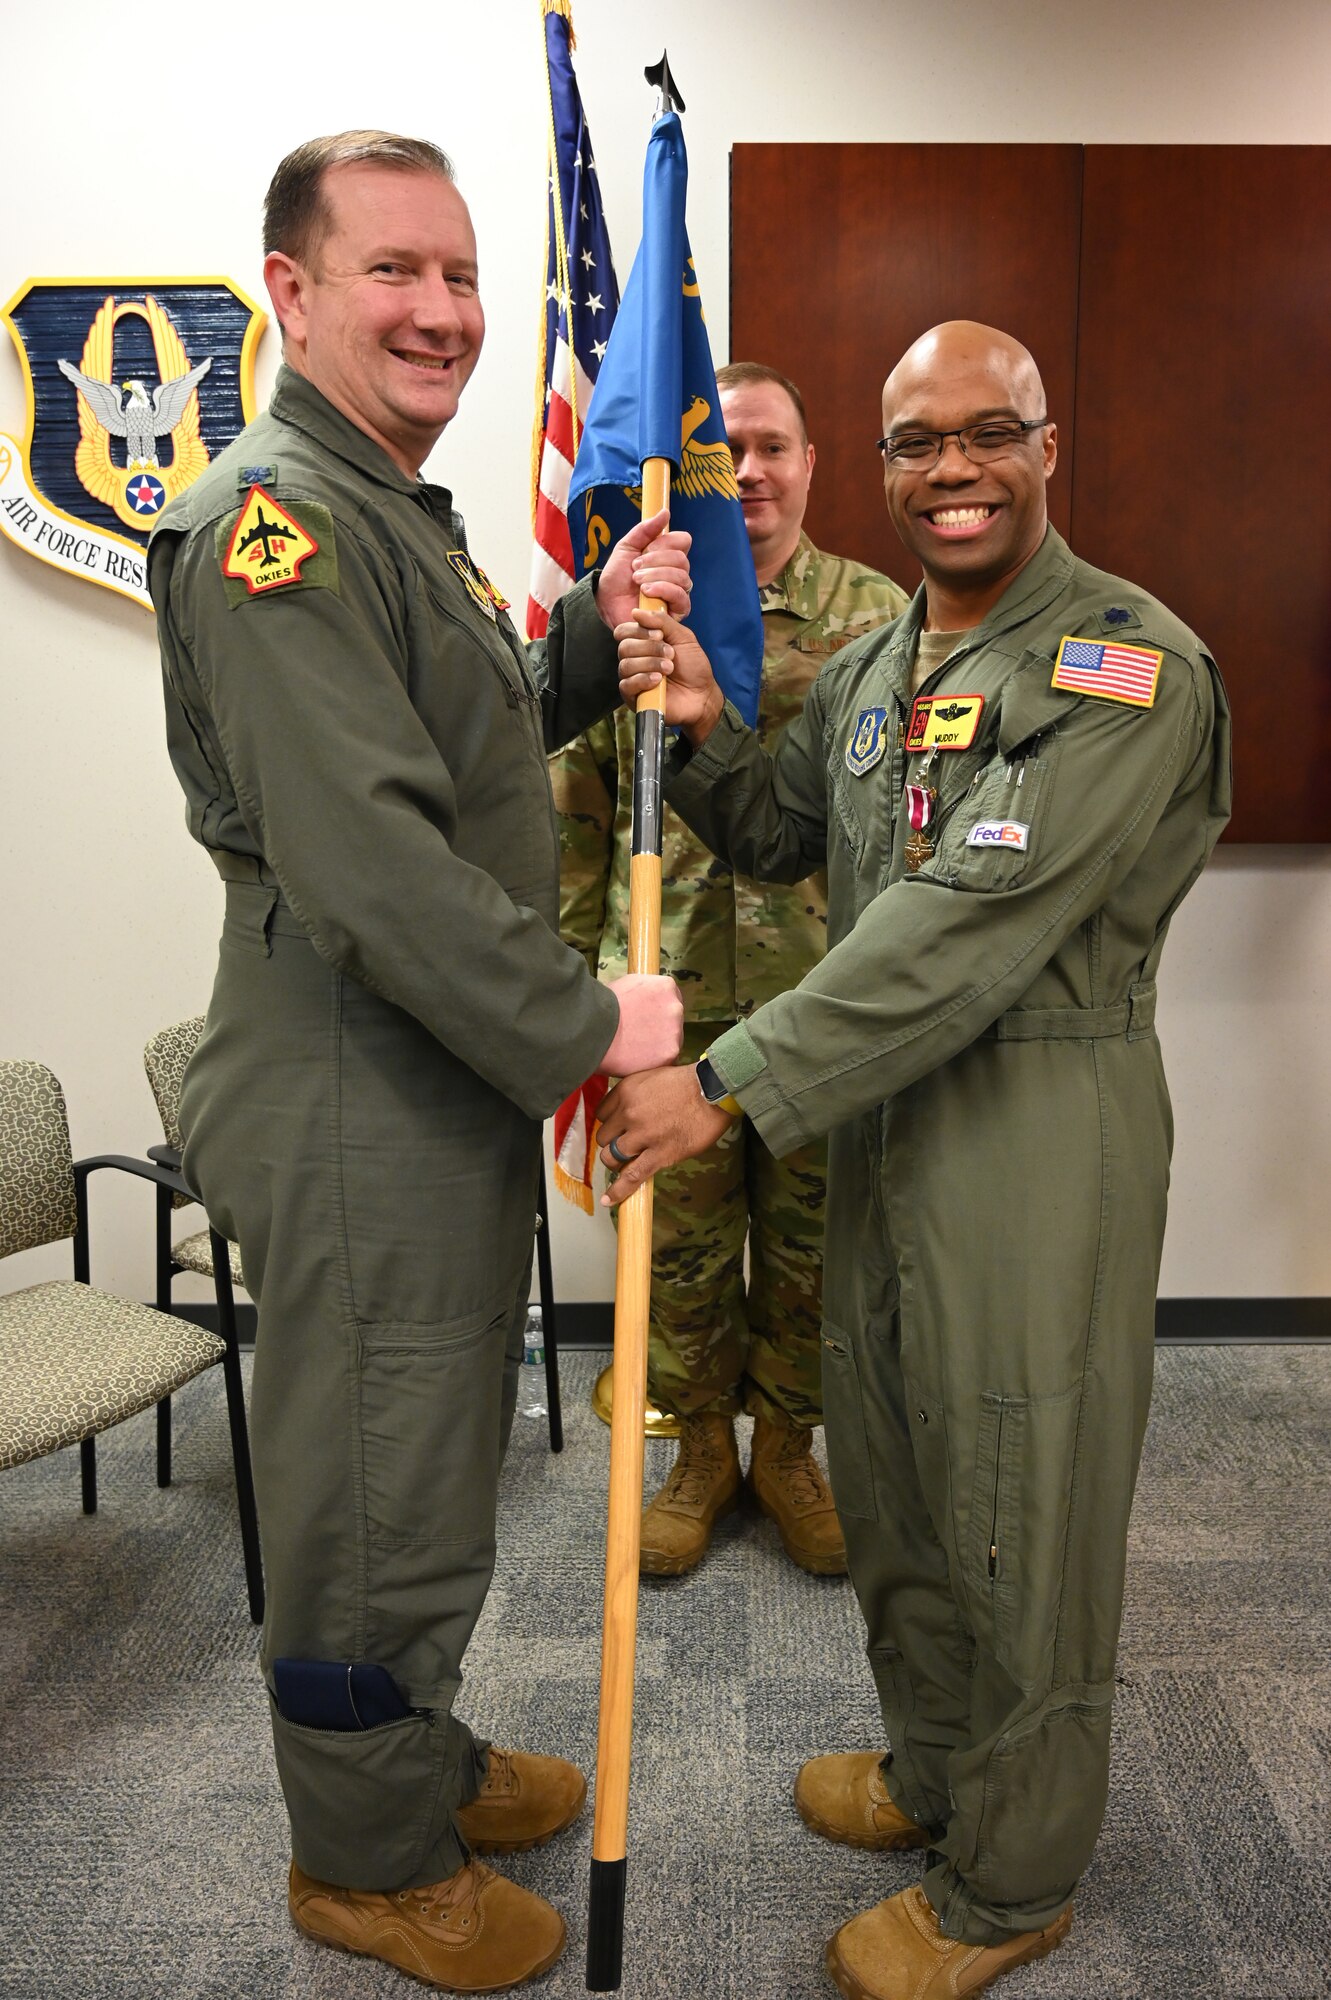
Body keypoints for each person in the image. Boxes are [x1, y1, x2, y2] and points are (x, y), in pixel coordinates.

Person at [600, 322, 1231, 2000]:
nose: (947, 470)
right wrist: (704, 722)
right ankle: (944, 1772)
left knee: (1018, 1496)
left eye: (983, 435)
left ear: (1045, 446)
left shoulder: (1124, 665)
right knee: (891, 1465)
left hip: (1033, 1130)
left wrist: (724, 1079)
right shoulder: (882, 673)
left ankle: (1009, 1880)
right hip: (880, 1120)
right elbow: (794, 838)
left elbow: (963, 929)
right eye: (914, 444)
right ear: (880, 467)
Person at [149, 130, 687, 1995]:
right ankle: (364, 1863)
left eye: (460, 274)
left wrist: (588, 652)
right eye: (393, 271)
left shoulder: (387, 512)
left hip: (416, 1080)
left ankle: (415, 1751)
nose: (446, 311)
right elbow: (374, 864)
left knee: (426, 1455)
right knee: (369, 1486)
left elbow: (449, 727)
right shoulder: (272, 525)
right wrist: (586, 1029)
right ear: (290, 292)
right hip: (355, 1078)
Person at [550, 363, 906, 1578]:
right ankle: (700, 1452)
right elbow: (576, 810)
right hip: (666, 1000)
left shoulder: (877, 618)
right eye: (725, 453)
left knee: (813, 1252)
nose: (748, 471)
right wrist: (562, 994)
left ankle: (787, 1453)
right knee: (679, 1257)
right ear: (696, 474)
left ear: (810, 464)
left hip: (819, 996)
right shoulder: (641, 619)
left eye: (772, 447)